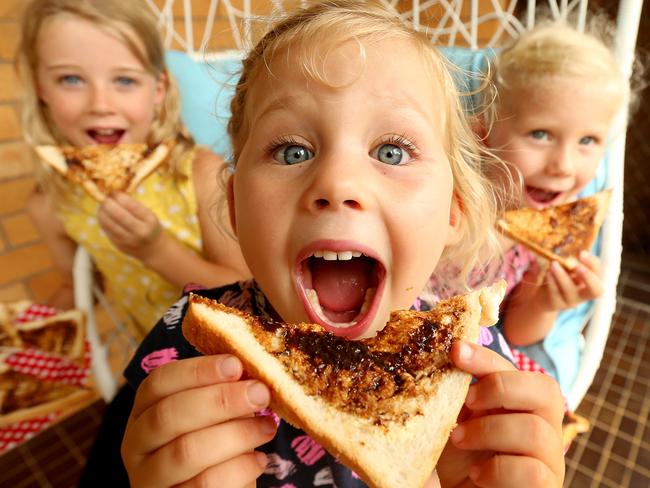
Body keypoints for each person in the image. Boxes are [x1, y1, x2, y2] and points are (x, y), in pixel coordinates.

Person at [119, 2, 566, 487]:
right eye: (293, 151)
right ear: (233, 205)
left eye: (391, 151)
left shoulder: (477, 369)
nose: (337, 182)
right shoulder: (183, 344)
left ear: (453, 210)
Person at [17, 0, 250, 338]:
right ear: (41, 91)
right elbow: (76, 288)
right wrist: (28, 335)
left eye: (124, 81)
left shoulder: (197, 172)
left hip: (236, 344)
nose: (100, 104)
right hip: (153, 354)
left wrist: (156, 251)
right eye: (70, 79)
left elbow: (244, 293)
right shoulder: (50, 204)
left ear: (158, 90)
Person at [483, 15, 636, 390]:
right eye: (540, 133)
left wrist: (548, 301)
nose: (564, 166)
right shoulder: (453, 194)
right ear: (482, 128)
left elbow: (517, 334)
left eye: (588, 141)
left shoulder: (549, 233)